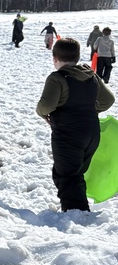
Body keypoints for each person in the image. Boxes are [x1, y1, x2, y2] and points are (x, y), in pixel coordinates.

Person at [36, 37, 114, 212]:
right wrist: (89, 111)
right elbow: (108, 100)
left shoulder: (57, 78)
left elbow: (46, 105)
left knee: (67, 176)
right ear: (77, 57)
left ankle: (77, 215)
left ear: (55, 58)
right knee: (74, 174)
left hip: (68, 134)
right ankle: (75, 209)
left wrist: (42, 114)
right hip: (92, 133)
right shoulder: (90, 75)